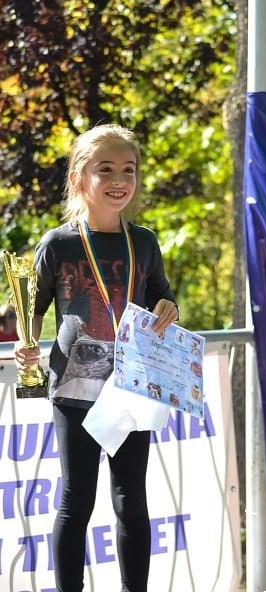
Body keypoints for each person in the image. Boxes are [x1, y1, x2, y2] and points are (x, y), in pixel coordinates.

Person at [15, 124, 179, 592]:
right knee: (76, 499)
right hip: (74, 389)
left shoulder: (143, 241)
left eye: (128, 169)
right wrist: (25, 343)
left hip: (131, 386)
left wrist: (169, 307)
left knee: (132, 501)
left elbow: (162, 296)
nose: (119, 179)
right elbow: (33, 312)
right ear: (78, 176)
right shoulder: (58, 244)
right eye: (104, 169)